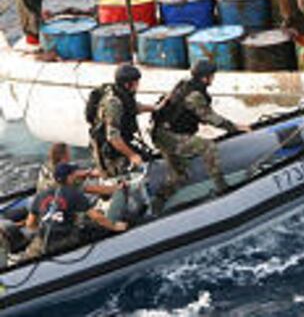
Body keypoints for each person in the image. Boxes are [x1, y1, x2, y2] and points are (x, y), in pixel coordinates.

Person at [150, 60, 251, 213]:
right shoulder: (195, 95)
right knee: (208, 147)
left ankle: (158, 202)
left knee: (181, 176)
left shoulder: (183, 84)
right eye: (212, 76)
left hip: (162, 134)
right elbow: (211, 118)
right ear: (205, 78)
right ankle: (222, 188)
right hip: (171, 137)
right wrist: (235, 128)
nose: (213, 78)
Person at [23, 163, 127, 260]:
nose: (75, 177)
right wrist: (114, 227)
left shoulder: (40, 195)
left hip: (44, 240)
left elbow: (30, 224)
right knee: (97, 227)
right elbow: (97, 217)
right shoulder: (74, 194)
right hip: (66, 239)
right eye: (73, 175)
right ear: (69, 177)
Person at [90, 64, 154, 177]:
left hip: (121, 141)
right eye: (136, 83)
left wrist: (154, 108)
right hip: (110, 151)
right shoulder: (114, 104)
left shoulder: (122, 94)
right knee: (138, 168)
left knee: (149, 156)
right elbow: (113, 137)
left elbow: (132, 107)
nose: (138, 86)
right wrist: (132, 156)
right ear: (127, 84)